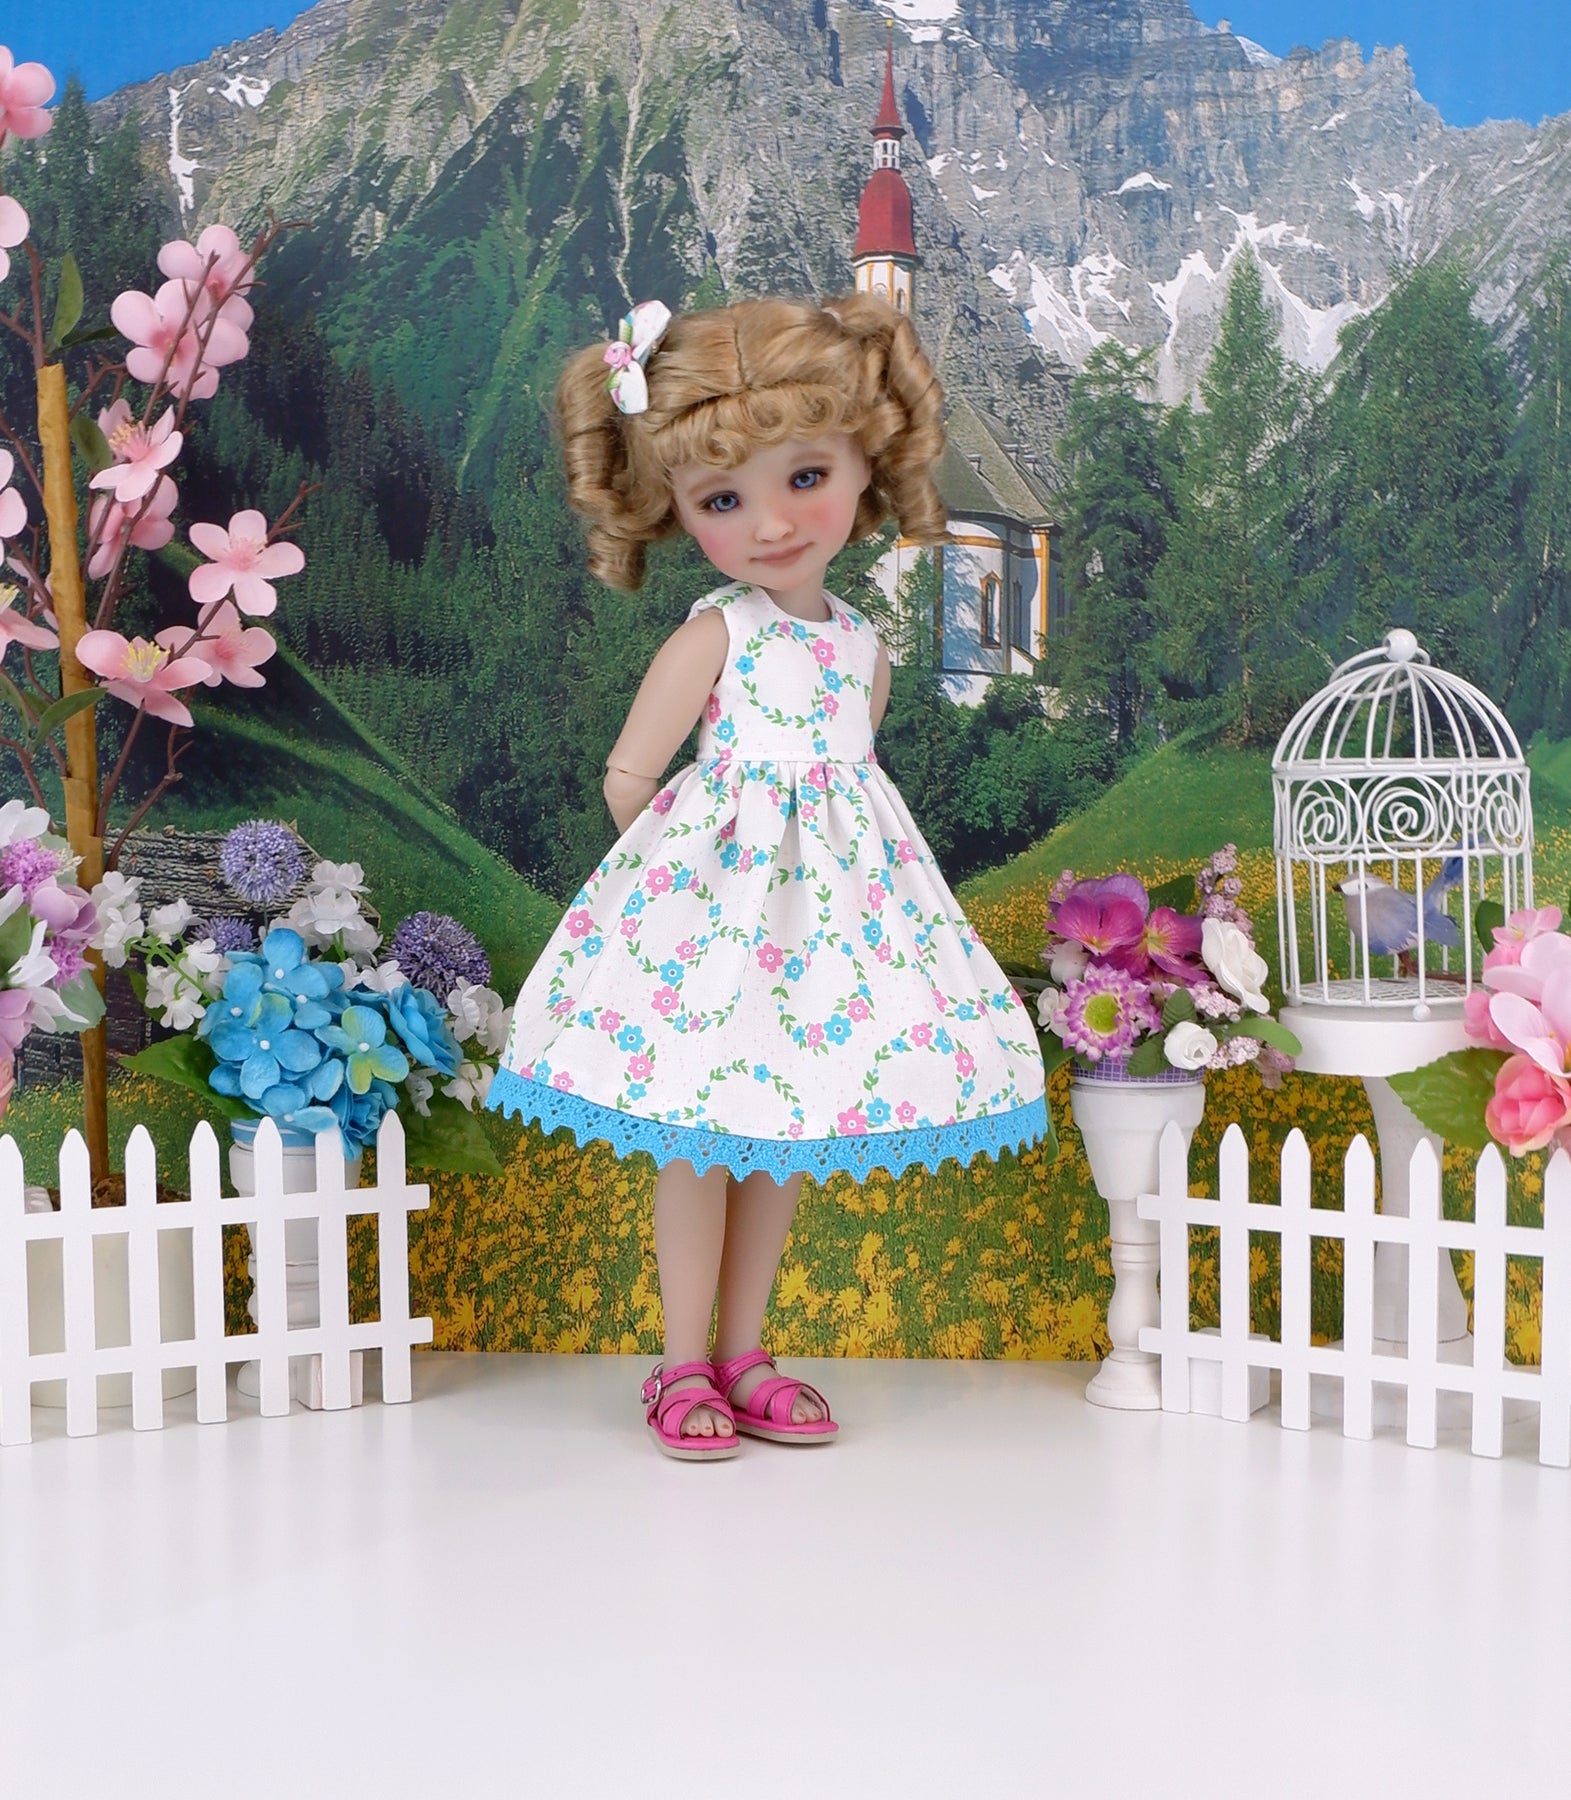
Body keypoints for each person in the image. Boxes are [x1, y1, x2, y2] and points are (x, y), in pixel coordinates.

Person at [486, 292, 1049, 1459]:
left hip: (822, 947)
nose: (773, 523)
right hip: (712, 937)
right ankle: (680, 1360)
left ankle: (743, 1351)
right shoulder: (718, 636)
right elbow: (631, 778)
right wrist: (685, 886)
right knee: (700, 1140)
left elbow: (850, 794)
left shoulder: (860, 650)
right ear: (676, 508)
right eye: (722, 500)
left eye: (805, 478)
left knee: (781, 1134)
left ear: (865, 464)